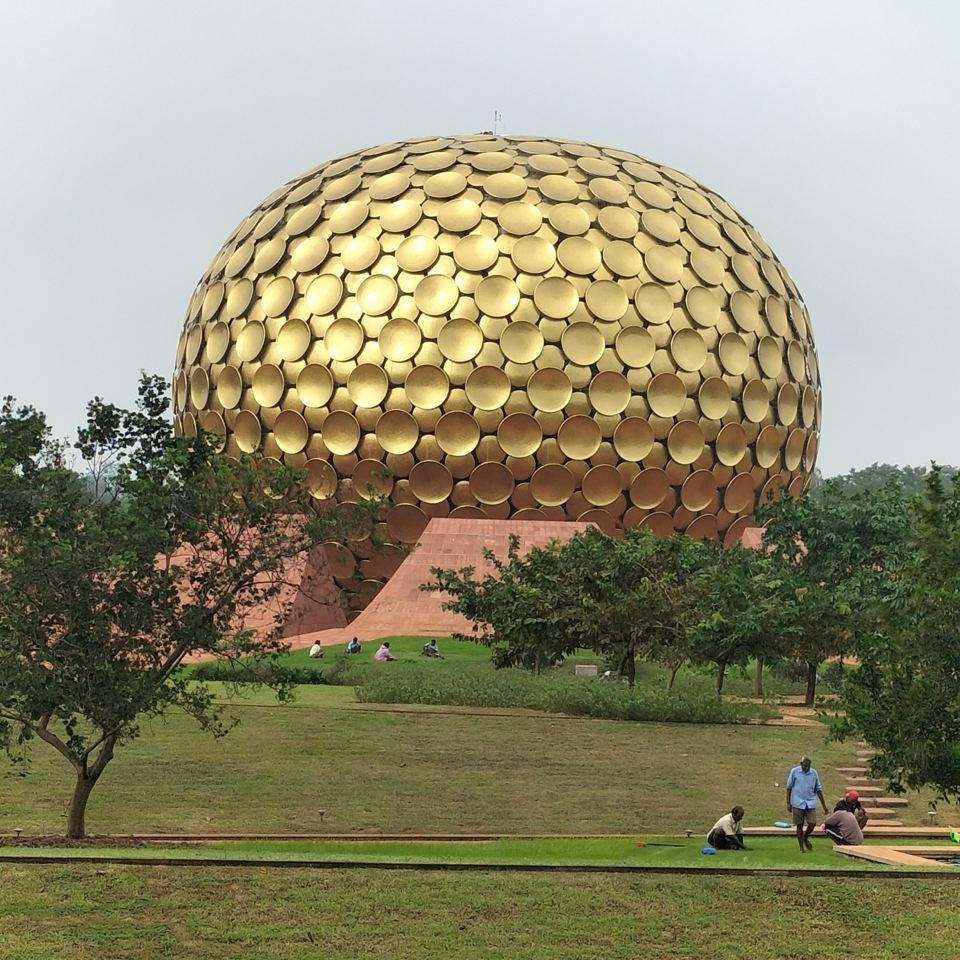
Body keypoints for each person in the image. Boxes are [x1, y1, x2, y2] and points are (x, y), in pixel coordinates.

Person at [785, 755, 828, 852]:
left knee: (812, 823)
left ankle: (805, 837)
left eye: (808, 767)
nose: (806, 768)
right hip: (798, 802)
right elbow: (789, 788)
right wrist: (788, 803)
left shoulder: (813, 773)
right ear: (801, 764)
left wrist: (824, 806)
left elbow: (818, 789)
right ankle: (801, 848)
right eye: (804, 766)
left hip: (810, 802)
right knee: (799, 825)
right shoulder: (794, 772)